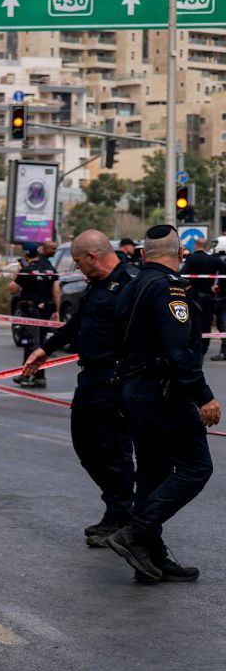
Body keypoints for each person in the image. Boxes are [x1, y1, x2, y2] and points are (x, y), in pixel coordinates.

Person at [103, 224, 221, 583]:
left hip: (133, 392)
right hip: (162, 394)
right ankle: (136, 533)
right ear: (181, 255)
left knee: (153, 472)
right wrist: (204, 397)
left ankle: (149, 555)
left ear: (142, 253)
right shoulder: (169, 287)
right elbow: (178, 350)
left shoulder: (130, 285)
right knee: (196, 469)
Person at [19, 230, 138, 547]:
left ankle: (121, 517)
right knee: (85, 445)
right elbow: (79, 322)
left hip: (116, 379)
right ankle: (117, 505)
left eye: (77, 262)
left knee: (114, 450)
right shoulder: (98, 283)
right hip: (90, 378)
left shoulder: (132, 282)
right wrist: (46, 348)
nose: (76, 268)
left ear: (93, 257)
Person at [10, 242, 61, 387]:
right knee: (41, 344)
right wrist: (56, 311)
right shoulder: (51, 269)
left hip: (32, 311)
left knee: (32, 343)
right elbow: (56, 292)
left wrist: (18, 274)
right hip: (47, 310)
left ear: (25, 254)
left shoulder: (28, 270)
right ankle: (39, 376)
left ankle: (26, 376)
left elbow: (12, 289)